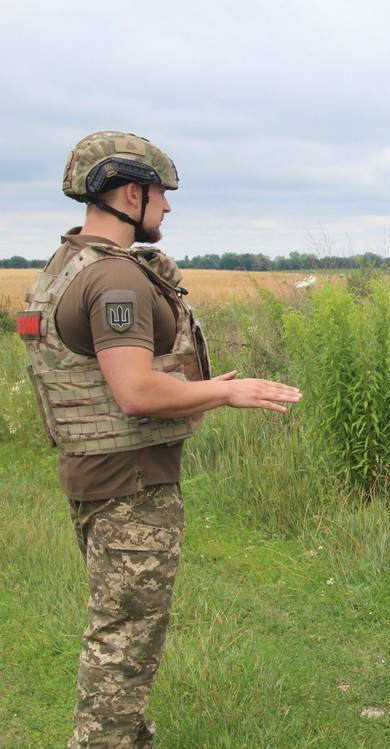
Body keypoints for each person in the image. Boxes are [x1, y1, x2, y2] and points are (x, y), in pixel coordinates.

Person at [17, 131, 301, 747]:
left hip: (97, 476)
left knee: (124, 635)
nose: (168, 208)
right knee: (123, 645)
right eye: (161, 195)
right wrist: (225, 391)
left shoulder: (67, 264)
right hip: (131, 485)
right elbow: (136, 391)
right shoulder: (116, 280)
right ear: (129, 192)